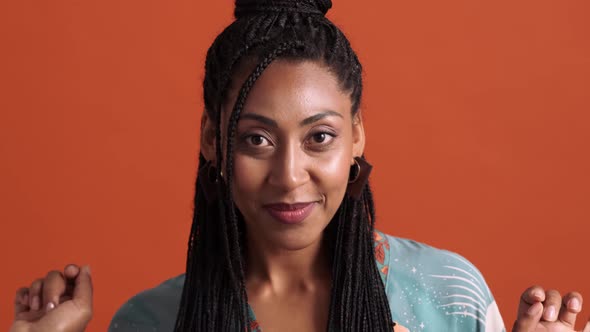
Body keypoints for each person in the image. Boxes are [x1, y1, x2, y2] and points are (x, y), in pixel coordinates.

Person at [10, 1, 589, 331]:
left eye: (319, 137)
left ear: (357, 135)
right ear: (212, 140)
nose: (289, 175)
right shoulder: (152, 322)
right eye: (257, 139)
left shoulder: (450, 297)